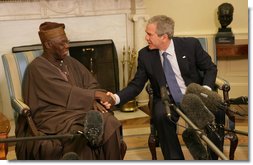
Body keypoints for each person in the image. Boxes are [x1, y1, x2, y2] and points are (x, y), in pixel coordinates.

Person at [103, 15, 218, 160]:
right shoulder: (145, 55)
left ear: (164, 37)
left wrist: (205, 91)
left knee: (216, 112)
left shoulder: (190, 45)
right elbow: (136, 85)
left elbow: (210, 68)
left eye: (149, 34)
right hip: (165, 99)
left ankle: (213, 159)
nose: (146, 38)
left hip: (193, 95)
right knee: (161, 116)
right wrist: (115, 98)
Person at [15, 22, 126, 160]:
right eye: (62, 43)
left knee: (109, 122)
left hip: (77, 111)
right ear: (48, 45)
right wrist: (94, 96)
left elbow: (91, 83)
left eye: (67, 42)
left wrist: (95, 99)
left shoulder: (70, 61)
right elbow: (62, 91)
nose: (67, 46)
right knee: (105, 123)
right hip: (53, 117)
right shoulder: (36, 67)